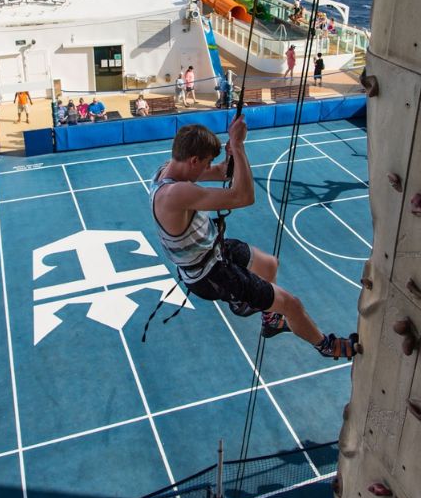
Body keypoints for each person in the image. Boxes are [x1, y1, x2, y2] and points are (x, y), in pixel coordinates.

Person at [149, 119, 358, 358]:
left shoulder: (166, 170)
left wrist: (230, 158)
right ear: (193, 160)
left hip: (212, 250)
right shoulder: (175, 194)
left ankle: (271, 321)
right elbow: (243, 196)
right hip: (209, 274)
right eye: (205, 161)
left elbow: (220, 172)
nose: (208, 166)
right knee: (291, 305)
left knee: (269, 265)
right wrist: (238, 147)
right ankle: (327, 346)